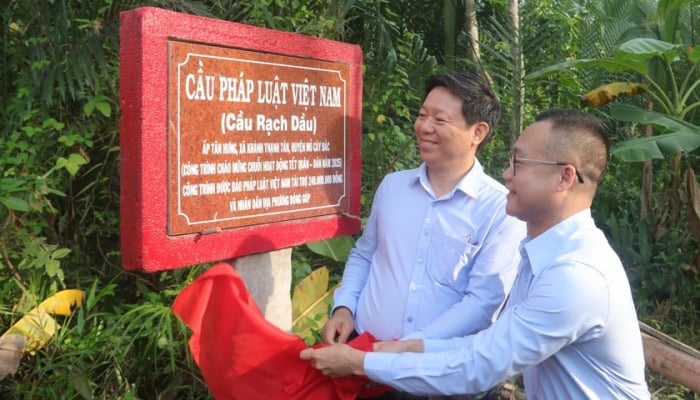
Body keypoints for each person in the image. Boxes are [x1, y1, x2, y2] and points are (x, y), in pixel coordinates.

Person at [301, 109, 651, 399]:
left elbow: (478, 365)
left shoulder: (576, 275)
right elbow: (484, 345)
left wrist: (361, 364)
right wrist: (392, 350)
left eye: (519, 162)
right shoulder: (541, 254)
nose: (507, 174)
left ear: (564, 177)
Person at [324, 71, 526, 399]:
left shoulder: (500, 210)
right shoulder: (393, 187)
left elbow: (482, 303)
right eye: (422, 115)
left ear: (478, 132)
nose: (424, 127)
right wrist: (344, 308)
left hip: (439, 377)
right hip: (365, 363)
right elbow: (365, 253)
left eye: (439, 119)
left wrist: (404, 350)